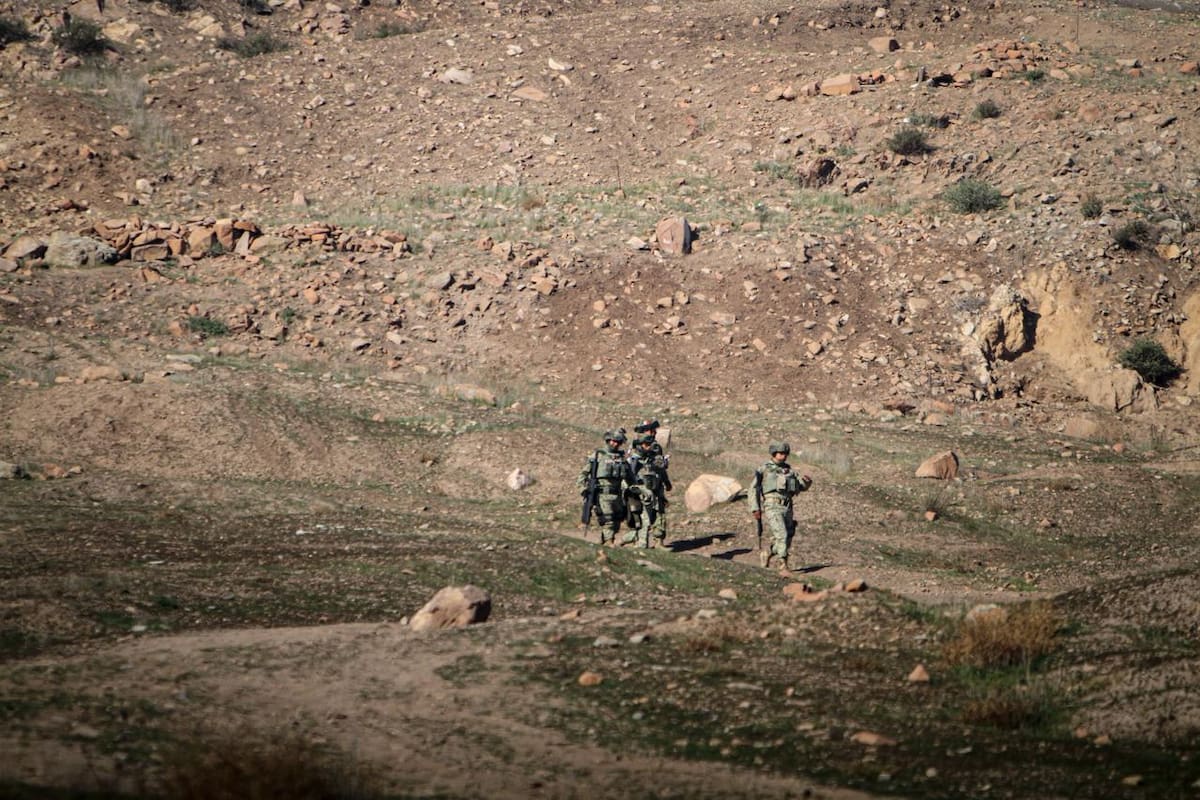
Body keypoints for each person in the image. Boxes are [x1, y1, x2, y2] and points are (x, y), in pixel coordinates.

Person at [748, 442, 812, 572]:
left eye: (785, 454)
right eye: (781, 453)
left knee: (787, 536)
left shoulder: (790, 471)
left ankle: (768, 553)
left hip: (787, 507)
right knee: (781, 535)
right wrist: (755, 508)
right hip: (772, 505)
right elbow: (753, 489)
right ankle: (783, 565)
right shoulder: (764, 469)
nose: (784, 456)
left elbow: (801, 487)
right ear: (774, 453)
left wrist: (807, 482)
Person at [578, 430, 635, 546]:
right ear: (608, 440)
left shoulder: (622, 458)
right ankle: (609, 542)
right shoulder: (598, 455)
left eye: (619, 442)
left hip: (618, 494)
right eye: (614, 441)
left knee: (617, 519)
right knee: (608, 519)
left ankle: (604, 541)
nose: (616, 444)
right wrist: (583, 490)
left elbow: (630, 477)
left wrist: (634, 489)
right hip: (602, 493)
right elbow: (583, 475)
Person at [623, 435, 670, 548]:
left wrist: (666, 484)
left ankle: (657, 542)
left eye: (650, 445)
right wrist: (637, 490)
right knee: (645, 520)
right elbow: (626, 480)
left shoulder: (653, 459)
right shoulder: (632, 461)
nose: (649, 447)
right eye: (646, 445)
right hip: (640, 495)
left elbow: (661, 472)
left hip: (655, 494)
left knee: (658, 518)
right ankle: (641, 542)